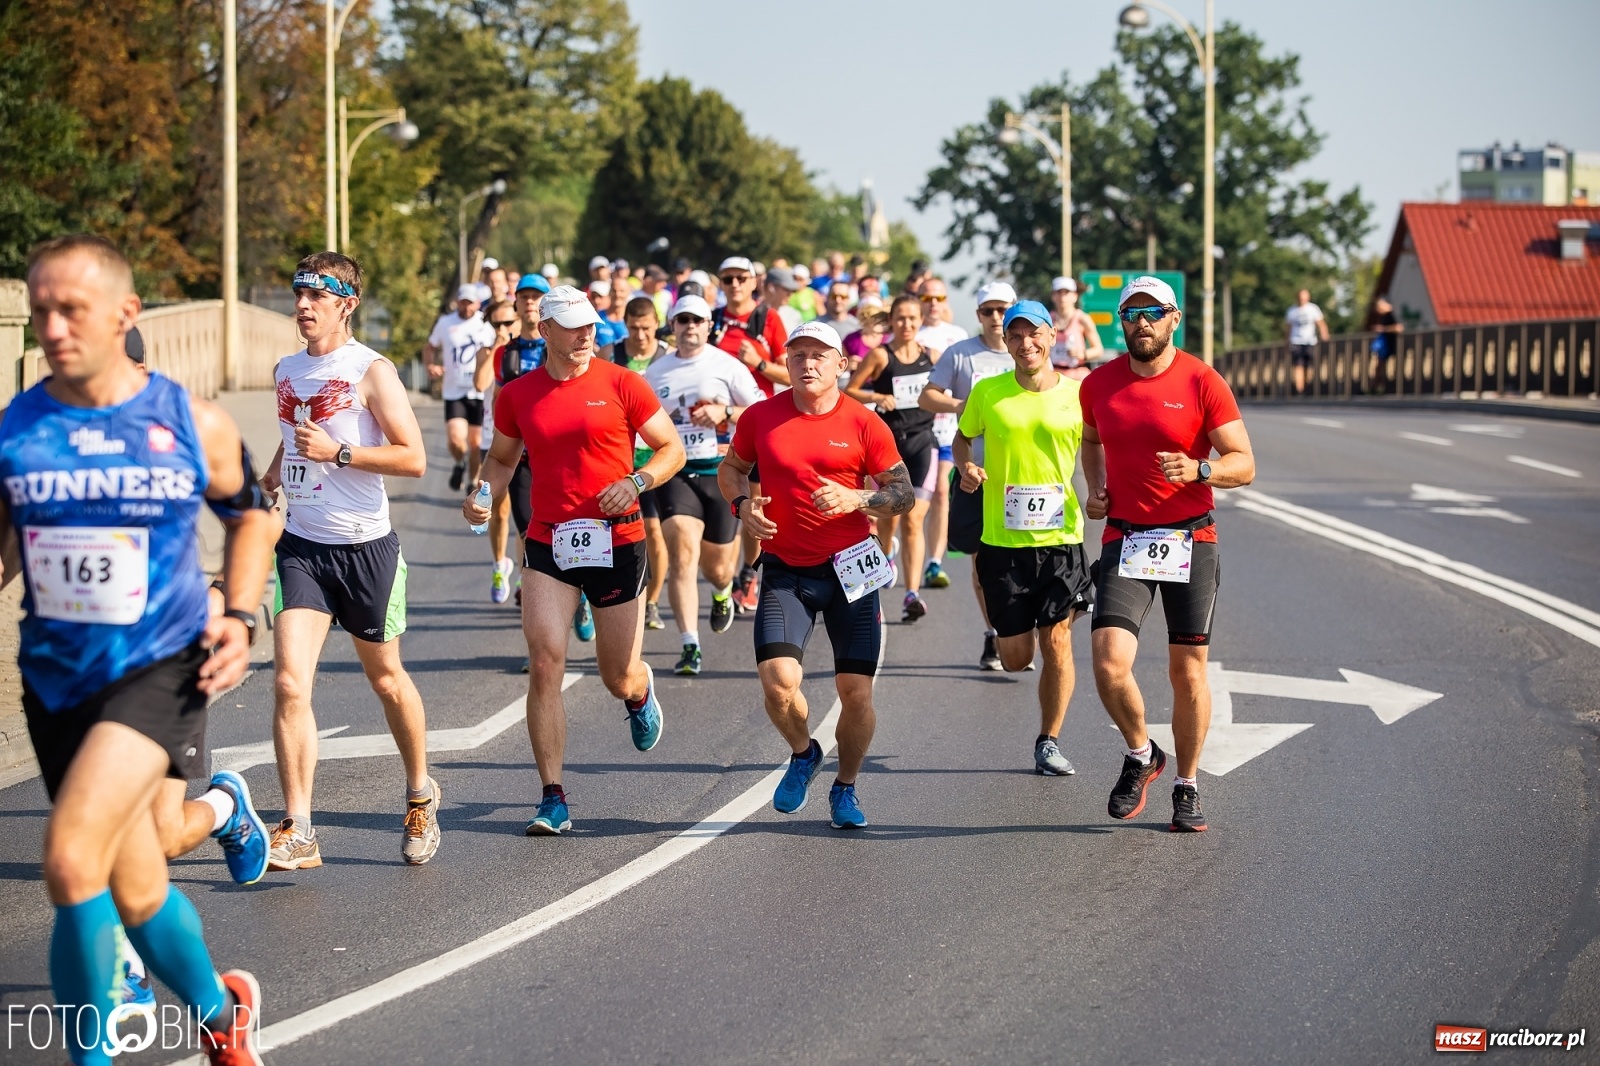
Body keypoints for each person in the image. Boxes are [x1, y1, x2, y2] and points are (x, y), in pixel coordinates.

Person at [2, 234, 275, 1064]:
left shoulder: (189, 421)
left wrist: (240, 610)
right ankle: (222, 1015)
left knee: (70, 861)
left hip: (160, 667)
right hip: (55, 679)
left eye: (70, 309)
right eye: (39, 310)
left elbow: (253, 513)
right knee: (135, 883)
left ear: (126, 314)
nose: (51, 327)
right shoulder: (18, 427)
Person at [466, 286, 685, 835]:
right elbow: (499, 459)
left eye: (590, 324)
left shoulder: (622, 384)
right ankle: (552, 796)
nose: (586, 333)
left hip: (617, 540)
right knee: (545, 662)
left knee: (615, 674)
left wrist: (637, 481)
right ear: (546, 332)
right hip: (549, 542)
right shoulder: (517, 394)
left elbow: (671, 449)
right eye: (572, 325)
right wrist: (480, 493)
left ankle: (638, 690)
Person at [262, 252, 441, 870]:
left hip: (366, 549)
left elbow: (413, 458)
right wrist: (273, 470)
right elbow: (292, 434)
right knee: (288, 681)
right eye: (298, 294)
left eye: (316, 296)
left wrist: (339, 454)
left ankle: (420, 793)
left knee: (386, 678)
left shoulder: (373, 371)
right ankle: (299, 826)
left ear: (347, 303)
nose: (303, 306)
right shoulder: (286, 369)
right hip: (303, 548)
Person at [719, 321, 912, 829]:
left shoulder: (864, 422)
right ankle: (805, 753)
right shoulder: (761, 417)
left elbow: (903, 494)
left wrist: (858, 497)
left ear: (841, 364)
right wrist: (742, 505)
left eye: (820, 355)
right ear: (787, 361)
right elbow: (731, 468)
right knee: (779, 683)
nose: (808, 363)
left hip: (851, 570)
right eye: (799, 353)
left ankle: (845, 787)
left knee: (856, 694)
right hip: (787, 570)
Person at [1080, 276, 1256, 833]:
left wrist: (1201, 468)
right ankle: (1141, 754)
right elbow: (1091, 439)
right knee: (1109, 662)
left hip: (1190, 537)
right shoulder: (1099, 384)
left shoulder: (1203, 380)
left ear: (1174, 318)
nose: (1141, 322)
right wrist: (1097, 488)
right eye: (1130, 314)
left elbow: (1244, 463)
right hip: (1126, 537)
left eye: (1152, 312)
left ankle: (1187, 783)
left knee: (1188, 672)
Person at [955, 300, 1091, 776]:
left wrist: (1103, 492)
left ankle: (1048, 740)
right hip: (1002, 544)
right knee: (1016, 658)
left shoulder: (1078, 395)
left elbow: (1098, 445)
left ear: (1052, 336)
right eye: (1016, 335)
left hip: (1061, 539)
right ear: (1006, 342)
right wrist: (965, 467)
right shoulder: (988, 392)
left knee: (1058, 641)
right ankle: (1014, 641)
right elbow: (962, 436)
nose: (1025, 343)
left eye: (1034, 334)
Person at [645, 294, 764, 674]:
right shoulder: (656, 371)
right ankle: (689, 645)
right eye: (683, 321)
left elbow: (761, 410)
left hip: (720, 472)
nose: (690, 327)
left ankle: (722, 591)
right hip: (676, 471)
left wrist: (725, 411)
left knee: (717, 568)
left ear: (708, 325)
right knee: (681, 551)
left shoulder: (726, 366)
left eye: (697, 320)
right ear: (673, 325)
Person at [920, 281, 1018, 670]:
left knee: (1021, 559)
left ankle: (1018, 631)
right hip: (975, 474)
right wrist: (965, 404)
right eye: (988, 311)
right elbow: (928, 395)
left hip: (1021, 477)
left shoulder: (1025, 351)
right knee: (981, 563)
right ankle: (995, 633)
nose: (996, 318)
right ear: (977, 315)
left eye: (1002, 310)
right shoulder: (961, 354)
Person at [846, 294, 939, 622]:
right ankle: (886, 555)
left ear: (921, 320)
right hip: (887, 449)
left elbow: (946, 391)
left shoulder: (932, 357)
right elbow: (850, 390)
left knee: (913, 519)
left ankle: (911, 593)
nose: (907, 325)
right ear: (891, 321)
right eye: (901, 318)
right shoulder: (880, 356)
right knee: (888, 518)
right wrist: (877, 396)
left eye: (913, 318)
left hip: (921, 442)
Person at [710, 256, 792, 615]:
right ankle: (723, 575)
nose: (735, 285)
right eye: (728, 279)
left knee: (753, 499)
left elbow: (791, 373)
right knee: (720, 499)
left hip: (756, 422)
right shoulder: (711, 321)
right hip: (711, 425)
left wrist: (759, 363)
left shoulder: (767, 319)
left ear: (753, 280)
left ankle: (748, 573)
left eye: (741, 278)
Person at [613, 295, 673, 631]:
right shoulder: (613, 355)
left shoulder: (667, 356)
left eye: (647, 328)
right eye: (634, 328)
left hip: (653, 458)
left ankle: (651, 602)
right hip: (617, 458)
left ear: (656, 324)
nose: (640, 336)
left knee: (653, 531)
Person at [475, 287, 538, 605]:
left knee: (522, 514)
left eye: (506, 324)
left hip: (524, 444)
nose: (502, 330)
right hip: (492, 439)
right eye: (495, 325)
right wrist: (499, 347)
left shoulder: (531, 349)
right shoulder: (493, 352)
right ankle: (500, 565)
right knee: (497, 511)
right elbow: (480, 384)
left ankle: (529, 576)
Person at [422, 285, 495, 492]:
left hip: (479, 392)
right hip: (454, 391)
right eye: (463, 302)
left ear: (478, 303)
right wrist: (430, 366)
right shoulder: (446, 323)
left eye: (471, 302)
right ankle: (458, 462)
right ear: (458, 302)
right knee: (456, 440)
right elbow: (429, 346)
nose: (467, 306)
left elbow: (497, 349)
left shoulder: (485, 324)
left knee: (475, 443)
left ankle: (472, 481)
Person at [1049, 276, 1103, 376]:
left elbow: (1099, 349)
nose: (1062, 297)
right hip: (1053, 375)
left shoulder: (1082, 319)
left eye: (1067, 293)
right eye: (1059, 292)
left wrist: (1082, 354)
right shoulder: (1047, 319)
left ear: (1075, 296)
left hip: (1077, 376)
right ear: (1053, 296)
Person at [1285, 288, 1328, 396]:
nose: (1302, 301)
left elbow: (1320, 323)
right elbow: (1288, 328)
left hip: (1310, 341)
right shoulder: (1292, 311)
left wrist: (1324, 333)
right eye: (1300, 299)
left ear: (1308, 298)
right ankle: (1300, 389)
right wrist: (1286, 340)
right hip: (1296, 340)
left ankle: (1307, 386)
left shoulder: (1313, 309)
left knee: (1308, 365)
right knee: (1298, 365)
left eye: (1304, 299)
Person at [915, 278, 969, 353]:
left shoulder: (959, 335)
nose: (933, 303)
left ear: (946, 300)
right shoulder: (908, 335)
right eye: (927, 298)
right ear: (918, 300)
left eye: (939, 298)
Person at [1368, 295, 1403, 395]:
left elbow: (1399, 328)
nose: (1378, 308)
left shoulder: (1392, 315)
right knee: (1378, 367)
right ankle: (1376, 387)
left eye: (1379, 305)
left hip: (1391, 345)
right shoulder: (1383, 317)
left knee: (1387, 368)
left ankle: (1383, 387)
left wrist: (1383, 329)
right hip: (1385, 346)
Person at [762, 266, 804, 335]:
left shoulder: (794, 316)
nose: (790, 294)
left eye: (792, 291)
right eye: (787, 289)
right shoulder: (753, 312)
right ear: (771, 288)